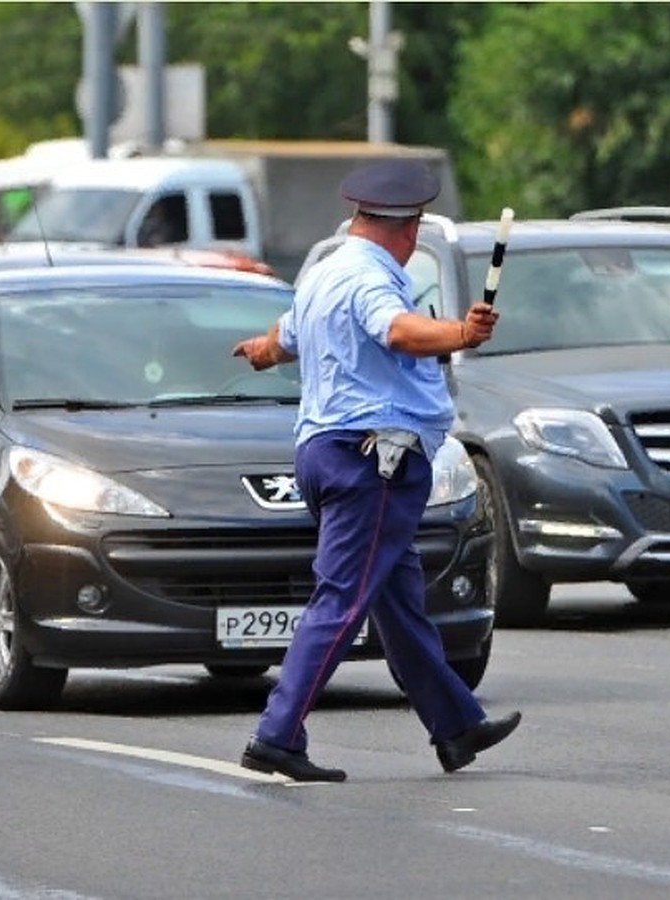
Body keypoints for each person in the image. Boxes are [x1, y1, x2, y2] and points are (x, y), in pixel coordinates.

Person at [230, 159, 520, 782]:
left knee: (397, 601)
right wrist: (459, 333)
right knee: (341, 599)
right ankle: (276, 735)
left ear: (358, 217)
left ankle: (456, 725)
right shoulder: (372, 281)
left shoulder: (324, 272)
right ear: (408, 228)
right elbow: (397, 331)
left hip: (327, 453)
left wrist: (259, 351)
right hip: (374, 462)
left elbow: (282, 340)